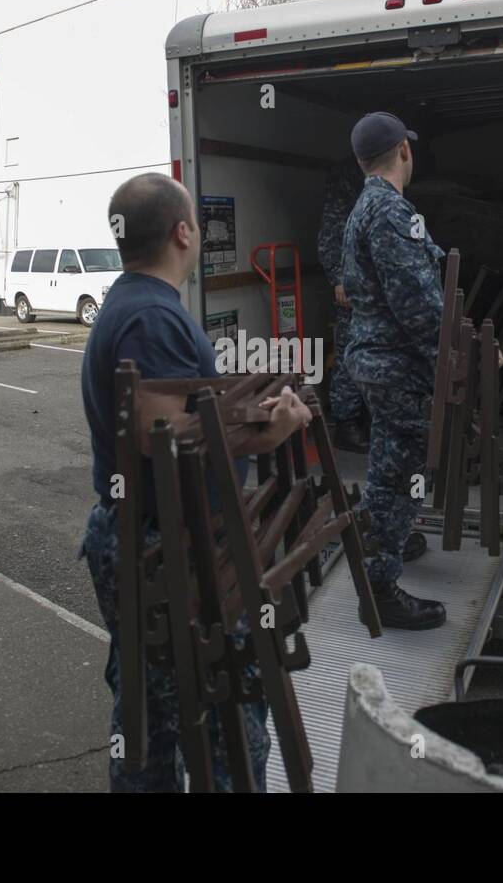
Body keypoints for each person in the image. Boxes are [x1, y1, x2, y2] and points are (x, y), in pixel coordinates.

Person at [80, 173, 314, 791]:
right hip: (174, 552)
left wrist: (249, 412)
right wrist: (271, 433)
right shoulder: (152, 318)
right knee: (226, 723)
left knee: (151, 713)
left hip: (154, 542)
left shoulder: (133, 304)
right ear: (184, 231)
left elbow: (173, 422)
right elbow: (161, 437)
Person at [341, 113, 447, 630]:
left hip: (377, 360)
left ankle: (392, 537)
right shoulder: (390, 212)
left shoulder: (365, 207)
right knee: (399, 474)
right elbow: (420, 308)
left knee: (389, 459)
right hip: (397, 366)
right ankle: (379, 589)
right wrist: (452, 361)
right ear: (403, 150)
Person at [316, 158, 368, 452]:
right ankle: (345, 424)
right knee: (350, 352)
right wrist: (338, 278)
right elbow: (329, 237)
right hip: (352, 286)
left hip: (370, 286)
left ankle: (360, 418)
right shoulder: (344, 188)